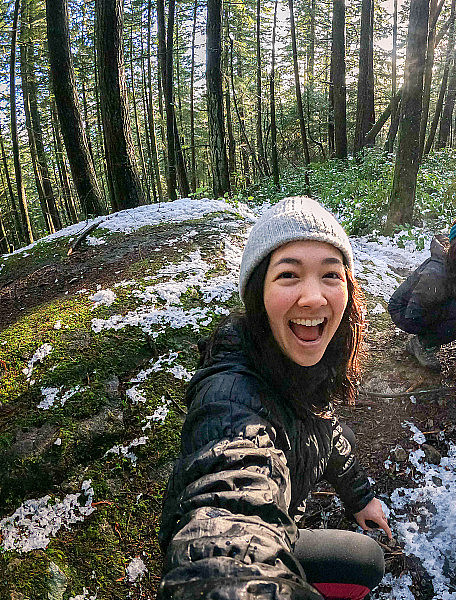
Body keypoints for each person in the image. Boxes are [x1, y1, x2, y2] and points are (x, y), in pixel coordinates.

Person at [158, 196, 391, 600]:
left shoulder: (302, 366)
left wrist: (361, 498)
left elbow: (327, 432)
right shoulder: (231, 397)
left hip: (287, 526)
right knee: (362, 561)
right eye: (288, 275)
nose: (314, 298)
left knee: (367, 559)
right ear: (258, 295)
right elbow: (229, 508)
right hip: (258, 542)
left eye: (331, 275)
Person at [388, 213, 456, 370]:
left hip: (436, 304)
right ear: (455, 243)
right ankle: (421, 345)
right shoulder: (436, 272)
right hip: (406, 312)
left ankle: (438, 331)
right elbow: (414, 314)